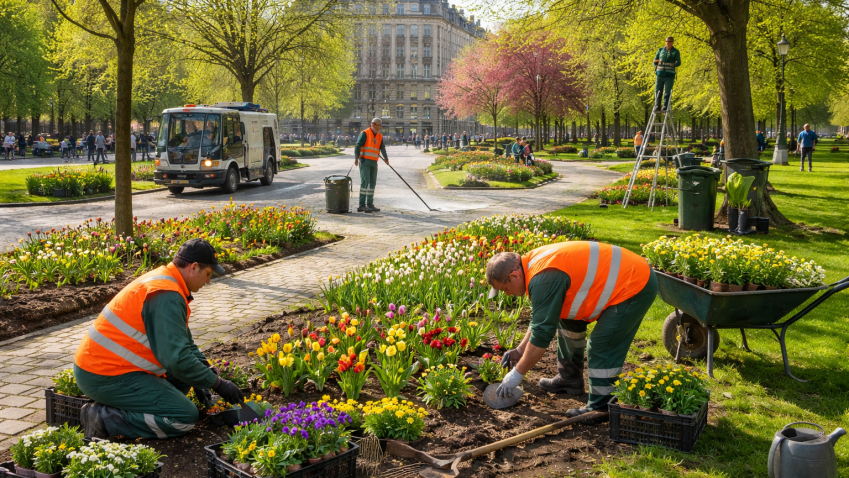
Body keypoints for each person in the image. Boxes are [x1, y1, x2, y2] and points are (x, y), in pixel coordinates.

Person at [76, 238, 243, 440]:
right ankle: (103, 418)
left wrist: (205, 373)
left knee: (185, 378)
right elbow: (177, 359)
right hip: (103, 374)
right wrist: (217, 384)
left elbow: (185, 344)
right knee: (183, 417)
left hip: (113, 367)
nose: (208, 281)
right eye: (208, 274)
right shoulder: (166, 295)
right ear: (193, 267)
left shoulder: (168, 283)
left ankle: (139, 405)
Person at [485, 241, 657, 419]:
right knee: (567, 319)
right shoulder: (532, 267)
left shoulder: (544, 277)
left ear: (514, 276)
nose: (507, 294)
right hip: (625, 275)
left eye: (505, 289)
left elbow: (541, 336)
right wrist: (520, 350)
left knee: (602, 345)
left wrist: (516, 375)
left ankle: (602, 406)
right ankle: (570, 379)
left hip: (634, 283)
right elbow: (540, 321)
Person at [353, 118, 390, 213]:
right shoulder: (365, 133)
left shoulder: (379, 136)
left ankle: (370, 203)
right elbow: (358, 145)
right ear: (373, 124)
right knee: (365, 182)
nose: (380, 126)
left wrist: (386, 158)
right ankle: (362, 205)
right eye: (378, 124)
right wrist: (356, 158)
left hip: (374, 162)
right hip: (365, 161)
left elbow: (382, 148)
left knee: (372, 183)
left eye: (381, 125)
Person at [653, 36, 681, 113]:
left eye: (670, 41)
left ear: (672, 42)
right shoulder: (660, 50)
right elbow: (654, 61)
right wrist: (655, 65)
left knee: (667, 91)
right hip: (660, 74)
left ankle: (665, 107)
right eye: (667, 41)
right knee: (658, 90)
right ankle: (657, 106)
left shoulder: (675, 51)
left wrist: (674, 64)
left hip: (669, 75)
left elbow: (679, 62)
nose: (668, 43)